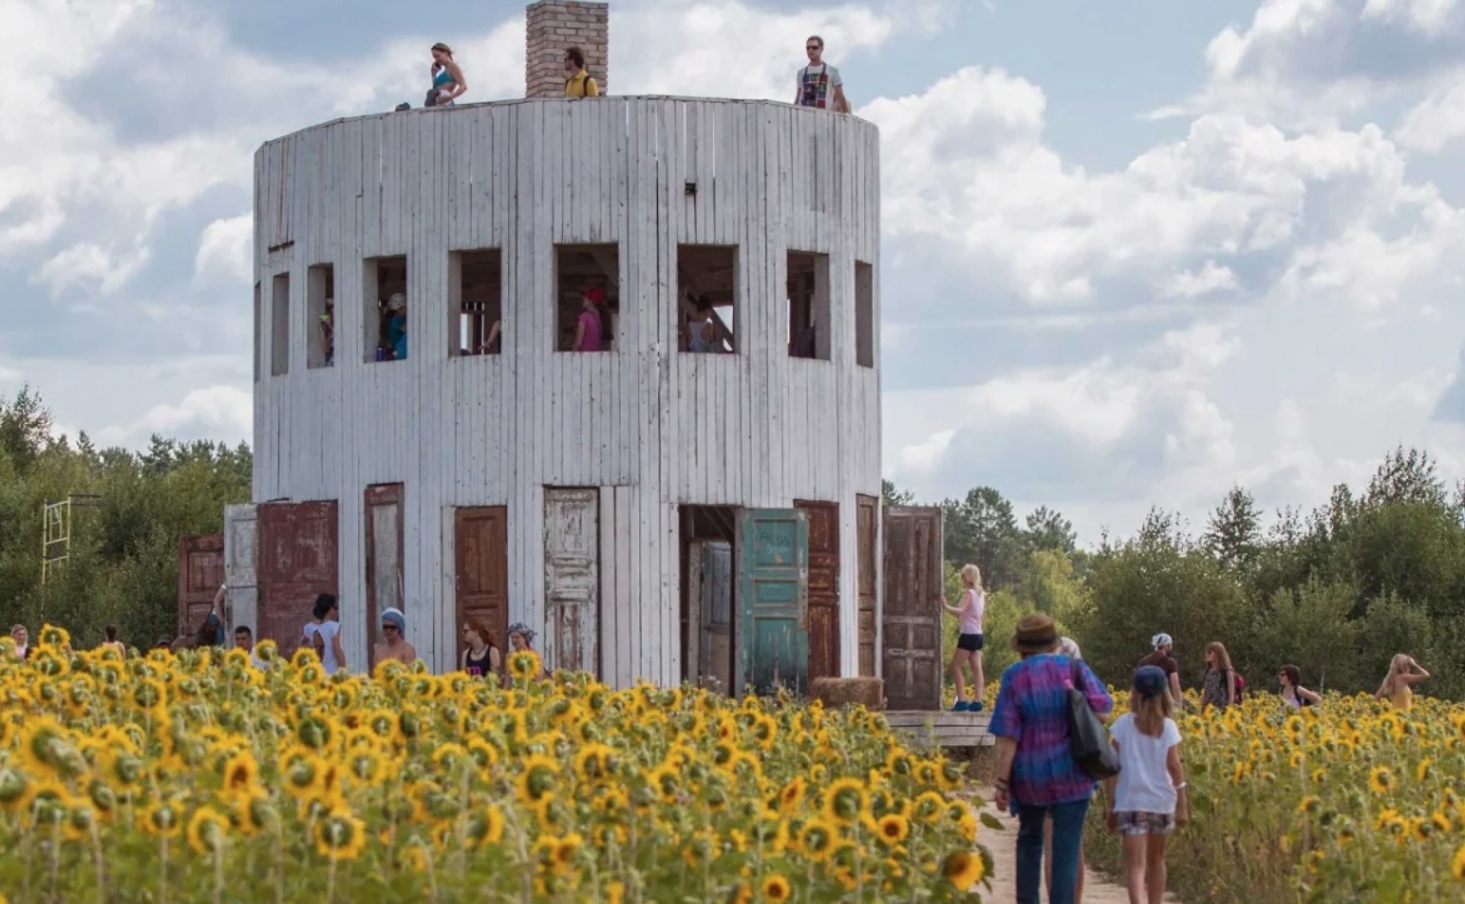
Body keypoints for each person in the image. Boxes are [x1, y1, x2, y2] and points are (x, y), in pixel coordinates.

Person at [991, 613, 1113, 904]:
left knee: (1030, 844)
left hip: (1030, 777)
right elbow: (1103, 712)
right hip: (1073, 775)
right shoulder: (1073, 667)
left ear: (1021, 646)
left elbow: (1008, 738)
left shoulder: (1013, 677)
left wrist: (1001, 782)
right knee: (1065, 851)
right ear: (1053, 642)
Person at [1103, 666, 1189, 904]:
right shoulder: (1168, 727)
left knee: (1135, 866)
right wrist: (1183, 804)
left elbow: (1112, 768)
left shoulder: (1122, 725)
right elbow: (1174, 767)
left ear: (1134, 693)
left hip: (1130, 802)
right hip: (1161, 803)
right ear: (1164, 694)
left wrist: (1111, 806)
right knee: (1156, 861)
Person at [942, 563, 986, 712]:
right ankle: (978, 701)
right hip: (978, 635)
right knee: (977, 669)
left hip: (968, 634)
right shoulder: (981, 594)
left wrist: (945, 606)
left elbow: (960, 611)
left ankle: (961, 700)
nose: (961, 579)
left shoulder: (970, 594)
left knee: (955, 667)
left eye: (962, 576)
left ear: (967, 577)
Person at [794, 35, 851, 113]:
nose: (810, 50)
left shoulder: (832, 71)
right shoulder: (801, 73)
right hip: (804, 116)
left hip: (824, 117)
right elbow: (798, 97)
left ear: (821, 49)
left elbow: (840, 96)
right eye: (808, 48)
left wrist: (847, 116)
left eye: (814, 47)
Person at [1139, 633, 1184, 710]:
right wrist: (1179, 706)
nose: (1171, 647)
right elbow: (1176, 686)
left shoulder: (1144, 662)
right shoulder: (1170, 662)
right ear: (1166, 646)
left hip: (1147, 705)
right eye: (1170, 645)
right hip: (1165, 704)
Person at [303, 594, 346, 674]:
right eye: (335, 608)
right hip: (331, 673)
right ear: (330, 610)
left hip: (316, 673)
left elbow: (302, 646)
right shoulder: (333, 626)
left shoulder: (308, 628)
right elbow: (337, 649)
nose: (337, 611)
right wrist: (343, 671)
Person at [1200, 642, 1238, 712]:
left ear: (1217, 654)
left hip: (1221, 710)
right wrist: (1201, 708)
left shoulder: (1227, 671)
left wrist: (1228, 712)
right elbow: (1205, 692)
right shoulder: (1207, 670)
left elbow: (1231, 696)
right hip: (1208, 711)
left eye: (1209, 652)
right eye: (1206, 652)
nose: (1206, 654)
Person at [428, 43, 467, 107]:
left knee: (430, 93)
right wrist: (433, 75)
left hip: (446, 100)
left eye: (438, 56)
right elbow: (435, 87)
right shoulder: (445, 69)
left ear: (445, 53)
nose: (436, 59)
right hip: (438, 101)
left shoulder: (452, 66)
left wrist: (450, 97)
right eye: (434, 57)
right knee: (431, 93)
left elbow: (463, 86)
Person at [573, 287, 605, 351]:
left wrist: (571, 354)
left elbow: (578, 344)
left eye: (585, 297)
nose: (583, 299)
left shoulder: (584, 317)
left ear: (591, 301)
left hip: (585, 357)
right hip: (597, 356)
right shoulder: (599, 316)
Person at [385, 293, 408, 360]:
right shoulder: (396, 320)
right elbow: (407, 329)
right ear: (398, 309)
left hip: (397, 352)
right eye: (405, 307)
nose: (407, 309)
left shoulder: (391, 320)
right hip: (398, 352)